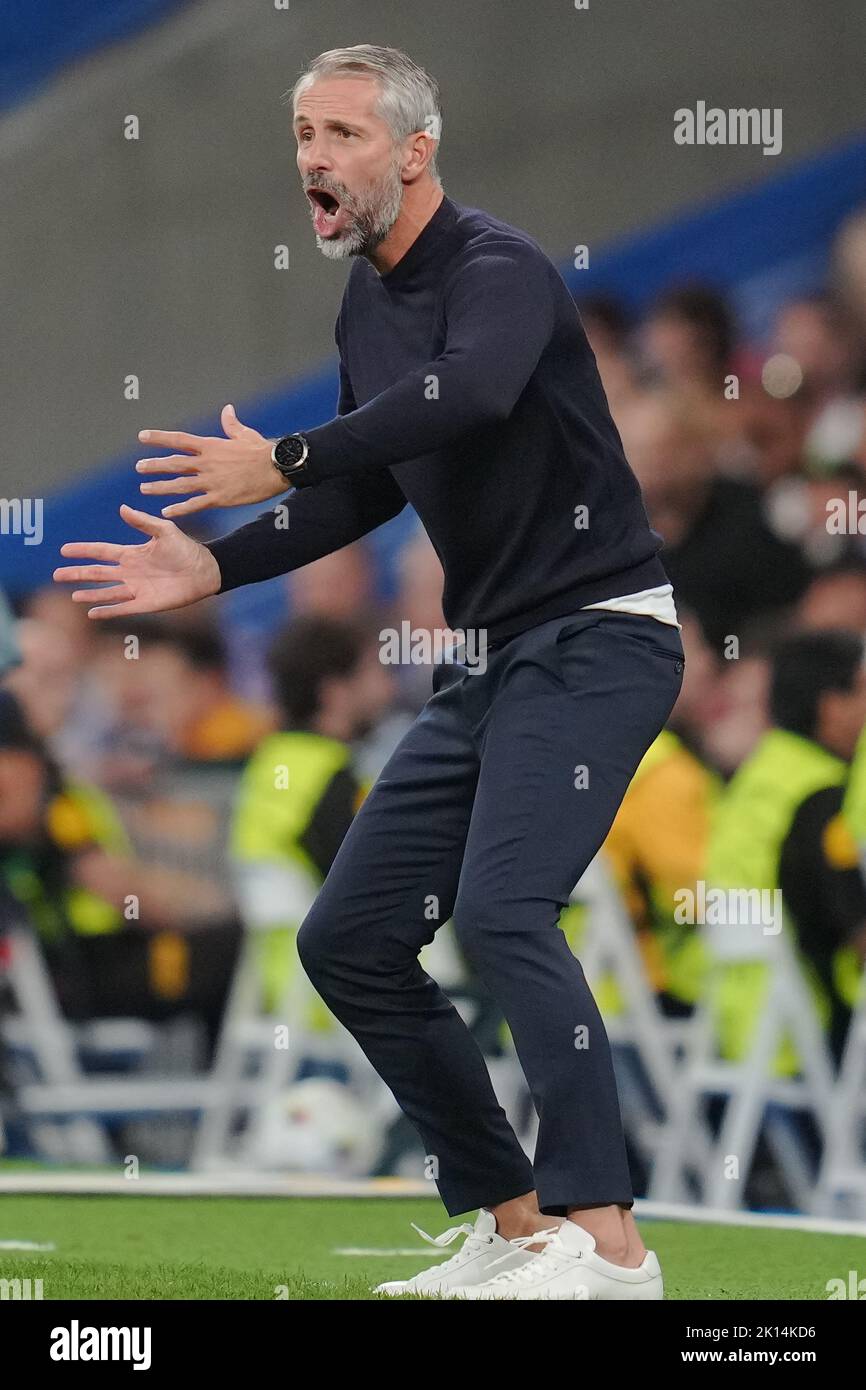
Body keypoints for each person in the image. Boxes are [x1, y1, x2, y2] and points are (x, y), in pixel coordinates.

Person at [55, 44, 685, 1300]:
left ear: (413, 154)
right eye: (301, 134)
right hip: (500, 659)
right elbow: (363, 486)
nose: (312, 159)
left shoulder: (498, 270)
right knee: (347, 940)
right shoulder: (365, 304)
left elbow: (470, 393)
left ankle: (610, 1245)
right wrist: (217, 571)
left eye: (341, 133)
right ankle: (514, 1226)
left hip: (604, 633)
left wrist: (281, 455)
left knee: (504, 914)